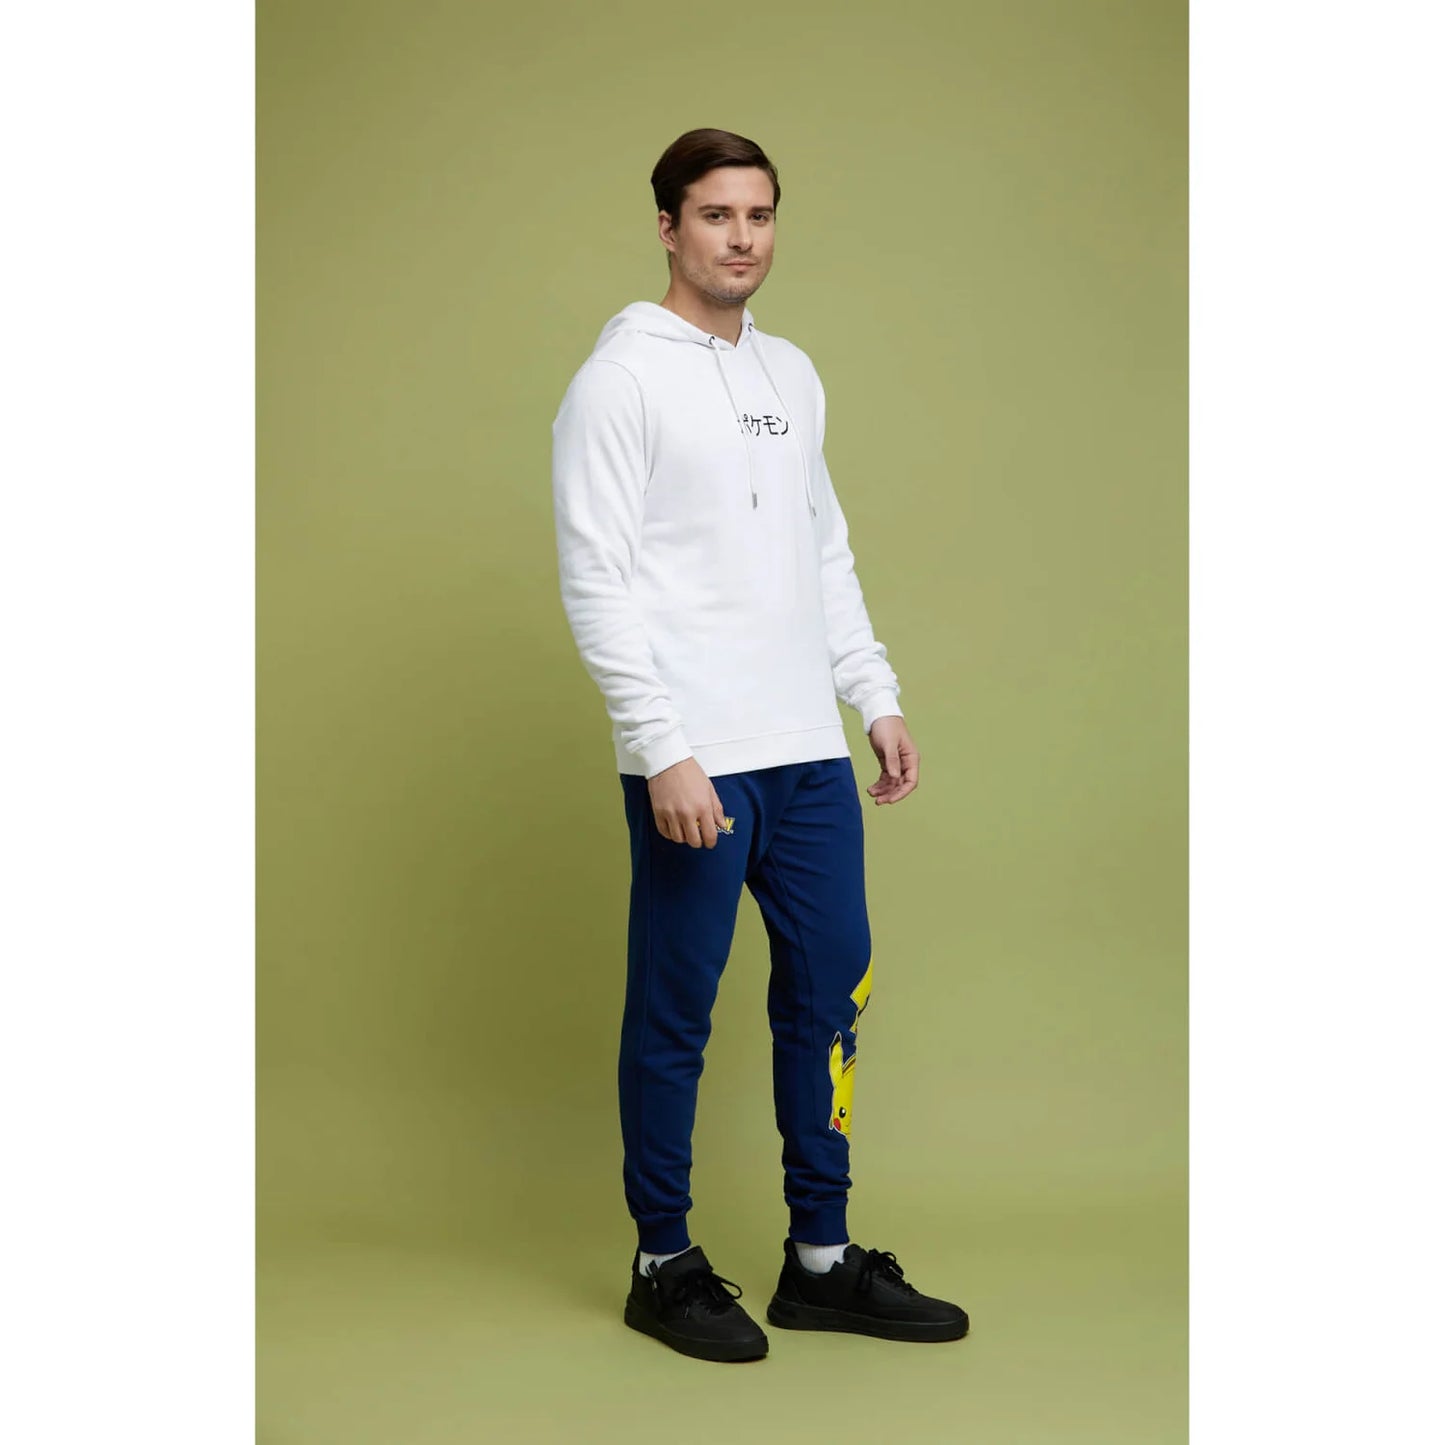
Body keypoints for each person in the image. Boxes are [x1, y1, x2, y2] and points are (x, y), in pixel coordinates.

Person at [550, 128, 969, 1362]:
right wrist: (660, 745)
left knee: (830, 989)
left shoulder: (792, 371)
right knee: (675, 1009)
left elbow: (820, 548)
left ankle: (820, 1260)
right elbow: (595, 576)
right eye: (716, 214)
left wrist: (871, 693)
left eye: (760, 214)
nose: (742, 237)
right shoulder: (618, 381)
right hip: (698, 755)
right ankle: (661, 1260)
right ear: (667, 228)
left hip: (806, 750)